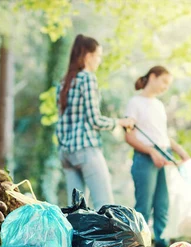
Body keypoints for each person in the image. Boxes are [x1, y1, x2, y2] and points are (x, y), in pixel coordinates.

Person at [55, 34, 135, 210]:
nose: (99, 61)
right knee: (105, 205)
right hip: (86, 150)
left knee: (75, 210)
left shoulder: (64, 82)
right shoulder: (87, 78)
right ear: (88, 56)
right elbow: (95, 120)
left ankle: (75, 239)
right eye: (98, 56)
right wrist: (120, 122)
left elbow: (62, 120)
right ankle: (109, 239)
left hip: (66, 154)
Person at [125, 66, 190, 247]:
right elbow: (129, 137)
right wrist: (151, 151)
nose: (165, 87)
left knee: (163, 204)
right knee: (144, 206)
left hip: (164, 157)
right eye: (164, 82)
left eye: (168, 85)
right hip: (145, 158)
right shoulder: (135, 102)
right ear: (152, 77)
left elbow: (162, 136)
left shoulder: (159, 105)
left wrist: (181, 153)